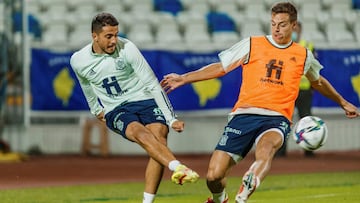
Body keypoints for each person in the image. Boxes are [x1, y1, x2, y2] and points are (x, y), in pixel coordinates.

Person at [161, 2, 360, 203]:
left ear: (293, 25)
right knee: (213, 176)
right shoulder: (251, 44)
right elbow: (221, 67)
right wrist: (185, 77)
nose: (276, 28)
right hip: (243, 116)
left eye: (282, 24)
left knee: (265, 152)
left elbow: (318, 81)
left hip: (276, 118)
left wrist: (343, 102)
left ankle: (246, 190)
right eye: (273, 23)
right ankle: (220, 199)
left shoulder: (303, 54)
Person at [70, 12, 199, 203]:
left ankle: (148, 200)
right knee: (139, 133)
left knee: (160, 137)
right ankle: (178, 168)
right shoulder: (79, 60)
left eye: (116, 34)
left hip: (144, 99)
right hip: (116, 107)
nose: (114, 40)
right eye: (109, 36)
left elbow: (153, 84)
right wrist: (96, 109)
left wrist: (171, 119)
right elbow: (86, 85)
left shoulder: (128, 48)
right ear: (94, 36)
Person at [276, 21, 316, 157]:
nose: (294, 32)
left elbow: (314, 68)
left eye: (296, 29)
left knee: (307, 120)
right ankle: (281, 151)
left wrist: (313, 85)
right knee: (285, 121)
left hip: (304, 90)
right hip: (287, 90)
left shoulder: (308, 46)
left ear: (300, 30)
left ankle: (309, 150)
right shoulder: (282, 46)